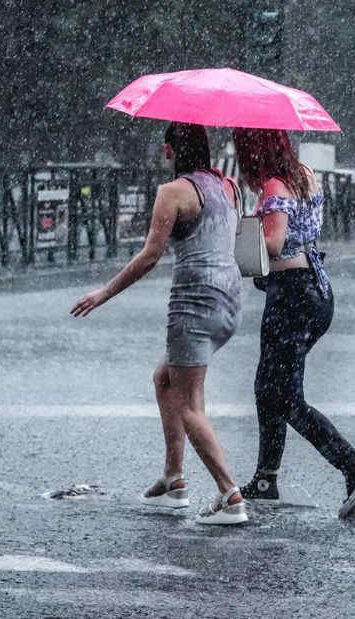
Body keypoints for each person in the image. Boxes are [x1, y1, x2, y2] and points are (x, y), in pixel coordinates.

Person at [71, 122, 247, 525]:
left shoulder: (172, 193)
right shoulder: (229, 188)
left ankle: (230, 494)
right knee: (165, 378)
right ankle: (173, 479)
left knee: (189, 404)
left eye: (163, 148)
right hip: (229, 302)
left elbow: (150, 255)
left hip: (194, 303)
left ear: (170, 151)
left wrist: (103, 294)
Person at [232, 127, 355, 519]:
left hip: (292, 296)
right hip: (315, 291)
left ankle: (352, 464)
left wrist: (237, 238)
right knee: (269, 387)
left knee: (285, 396)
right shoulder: (304, 174)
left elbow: (275, 243)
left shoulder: (275, 186)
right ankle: (266, 479)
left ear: (253, 150)